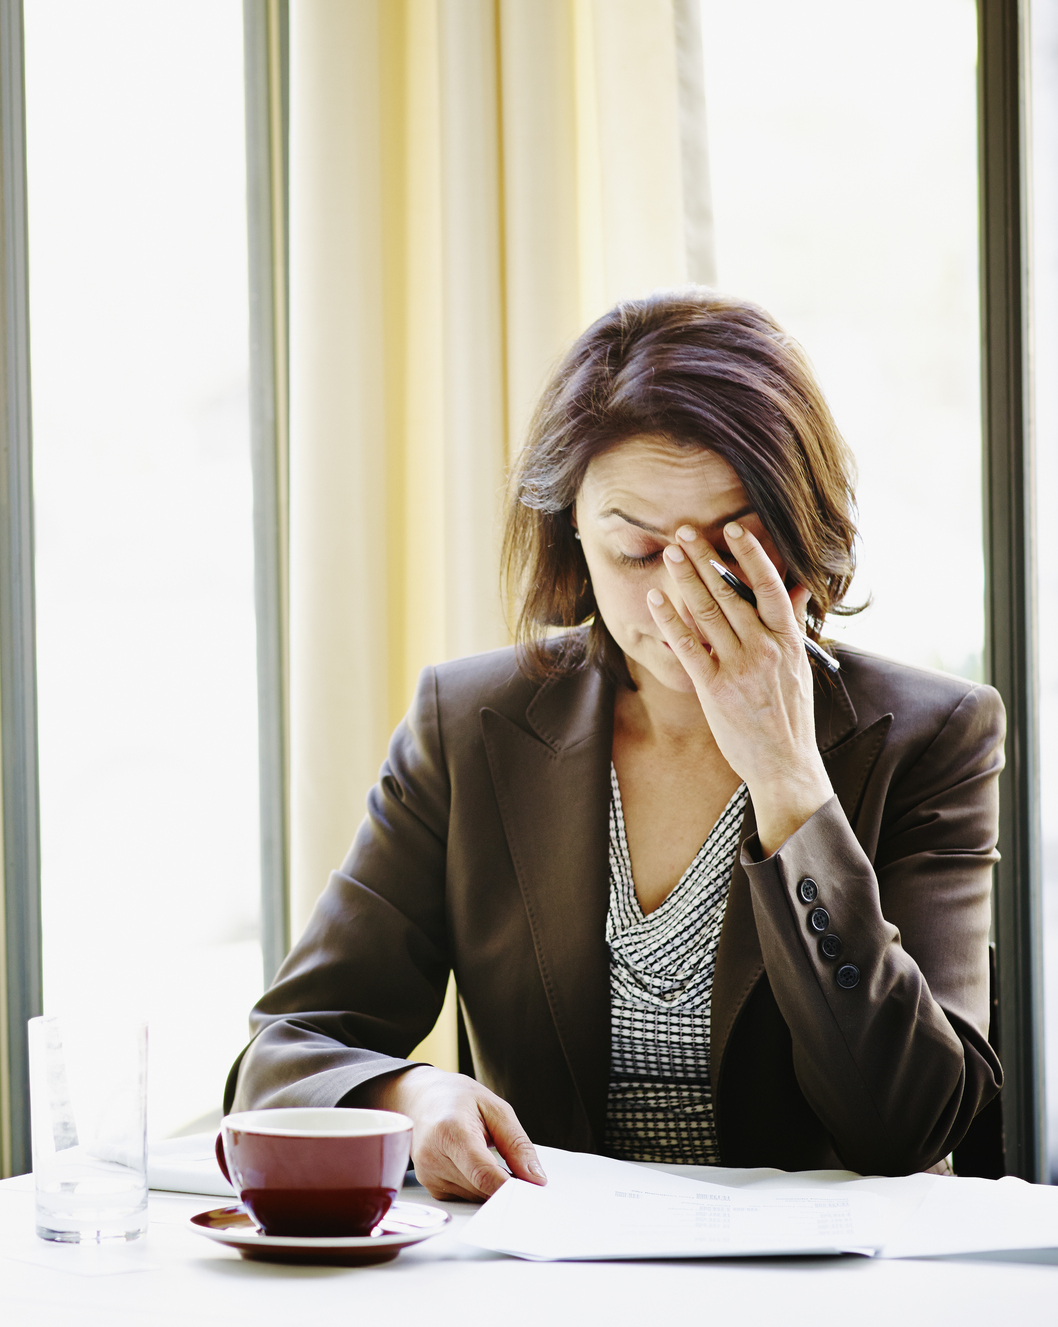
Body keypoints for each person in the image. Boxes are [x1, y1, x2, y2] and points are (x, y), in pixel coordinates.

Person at [225, 290, 1003, 1198]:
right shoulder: (469, 725)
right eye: (637, 553)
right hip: (554, 1271)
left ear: (799, 535)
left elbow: (906, 1126)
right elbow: (280, 1060)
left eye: (734, 547)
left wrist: (789, 777)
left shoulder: (932, 734)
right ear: (574, 542)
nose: (681, 598)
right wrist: (410, 1088)